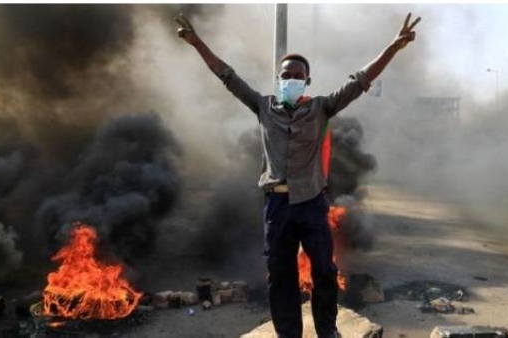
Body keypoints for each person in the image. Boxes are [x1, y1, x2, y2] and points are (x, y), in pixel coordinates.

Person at [176, 11, 420, 338]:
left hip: (312, 205)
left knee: (324, 271)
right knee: (280, 276)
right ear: (278, 80)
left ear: (307, 81)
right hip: (277, 208)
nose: (290, 78)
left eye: (297, 75)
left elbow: (360, 80)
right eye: (285, 74)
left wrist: (392, 46)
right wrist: (197, 43)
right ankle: (288, 333)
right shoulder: (263, 106)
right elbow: (227, 75)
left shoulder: (321, 108)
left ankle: (326, 331)